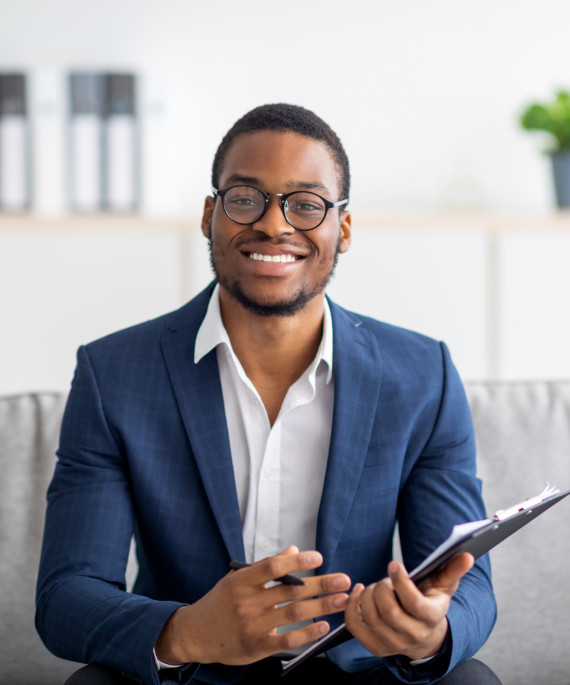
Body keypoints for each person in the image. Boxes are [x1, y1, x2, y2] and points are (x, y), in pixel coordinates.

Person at [36, 103, 500, 685]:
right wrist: (186, 631)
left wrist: (429, 631)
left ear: (344, 229)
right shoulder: (113, 373)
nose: (275, 225)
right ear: (210, 215)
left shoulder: (422, 373)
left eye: (306, 204)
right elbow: (67, 594)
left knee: (469, 679)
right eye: (246, 198)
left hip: (357, 671)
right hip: (193, 672)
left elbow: (470, 585)